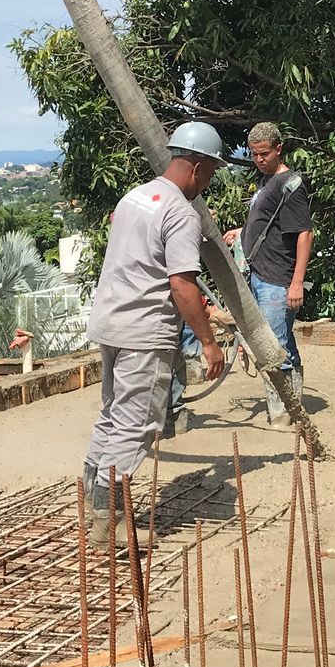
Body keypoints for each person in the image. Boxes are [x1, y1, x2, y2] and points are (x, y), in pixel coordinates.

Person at [82, 122, 227, 547]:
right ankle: (110, 526)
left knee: (111, 417)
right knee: (136, 425)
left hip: (112, 322)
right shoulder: (181, 212)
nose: (210, 180)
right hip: (145, 331)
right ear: (198, 168)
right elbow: (182, 284)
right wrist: (207, 341)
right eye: (212, 172)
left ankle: (92, 507)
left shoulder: (137, 196)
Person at [225, 121, 313, 421]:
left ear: (279, 148)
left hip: (278, 277)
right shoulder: (265, 184)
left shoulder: (290, 185)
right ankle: (294, 405)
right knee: (283, 341)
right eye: (254, 154)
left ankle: (281, 412)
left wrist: (297, 282)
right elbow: (266, 222)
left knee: (272, 346)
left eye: (264, 154)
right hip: (260, 274)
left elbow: (304, 233)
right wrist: (243, 231)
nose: (259, 159)